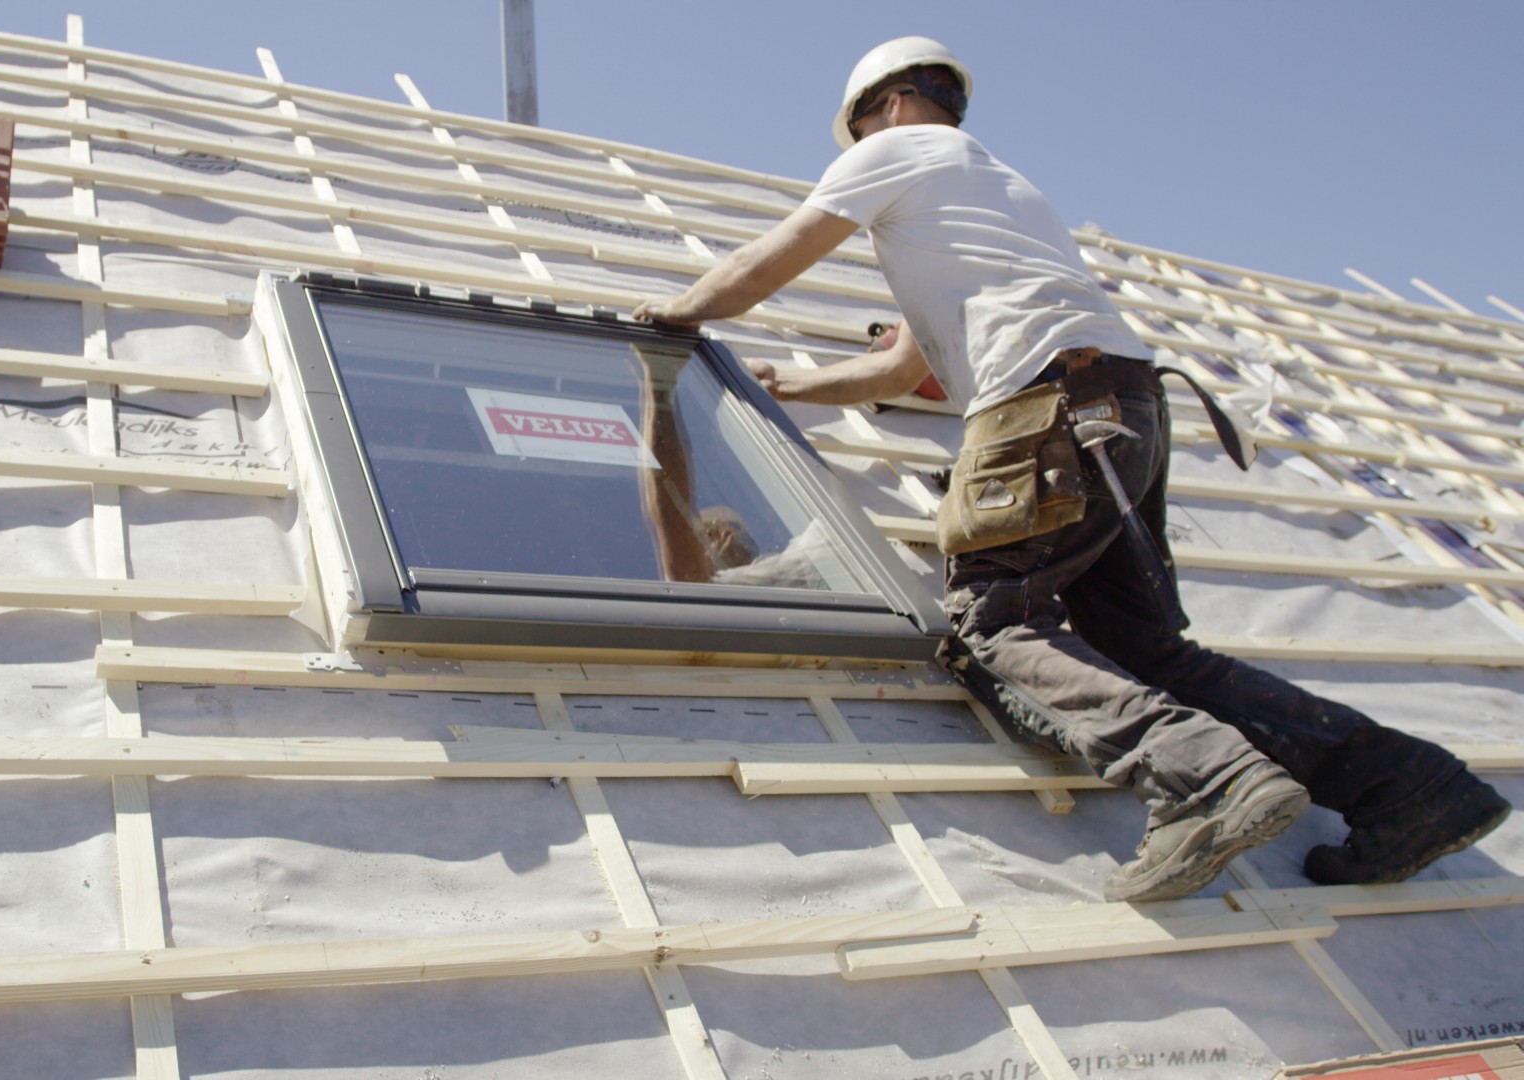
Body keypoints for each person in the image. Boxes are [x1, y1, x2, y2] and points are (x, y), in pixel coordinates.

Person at [632, 36, 1509, 901]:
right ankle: (1407, 787)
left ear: (889, 105)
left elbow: (775, 254)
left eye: (857, 129)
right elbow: (904, 369)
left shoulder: (901, 149)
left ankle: (1206, 780)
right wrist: (797, 384)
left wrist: (674, 319)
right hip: (1126, 404)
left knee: (991, 619)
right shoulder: (997, 195)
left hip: (1041, 408)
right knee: (1142, 646)